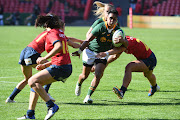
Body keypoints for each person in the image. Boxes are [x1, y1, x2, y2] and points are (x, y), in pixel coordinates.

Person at [17, 14, 80, 120]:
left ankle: (51, 106)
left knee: (32, 81)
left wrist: (43, 58)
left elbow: (58, 47)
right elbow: (61, 54)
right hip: (64, 67)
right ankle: (30, 114)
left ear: (47, 24)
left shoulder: (51, 33)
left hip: (60, 67)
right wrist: (46, 64)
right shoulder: (60, 33)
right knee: (36, 86)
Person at [72, 9, 126, 104]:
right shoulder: (100, 26)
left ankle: (88, 96)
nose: (112, 21)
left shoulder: (118, 32)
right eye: (110, 18)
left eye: (114, 19)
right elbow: (87, 40)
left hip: (102, 54)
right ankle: (79, 84)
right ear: (107, 18)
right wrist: (80, 51)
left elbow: (122, 48)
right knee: (84, 76)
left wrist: (108, 52)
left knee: (98, 74)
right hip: (90, 51)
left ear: (117, 20)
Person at [96, 35, 160, 99]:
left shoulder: (127, 43)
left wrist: (106, 54)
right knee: (147, 75)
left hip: (149, 59)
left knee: (129, 67)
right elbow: (114, 56)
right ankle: (155, 87)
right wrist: (103, 65)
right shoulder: (123, 41)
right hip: (148, 57)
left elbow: (116, 53)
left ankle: (122, 91)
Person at [5, 21, 54, 103]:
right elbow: (65, 40)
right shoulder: (52, 33)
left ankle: (10, 98)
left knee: (27, 79)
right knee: (51, 69)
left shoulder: (45, 32)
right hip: (32, 54)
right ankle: (46, 92)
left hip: (24, 52)